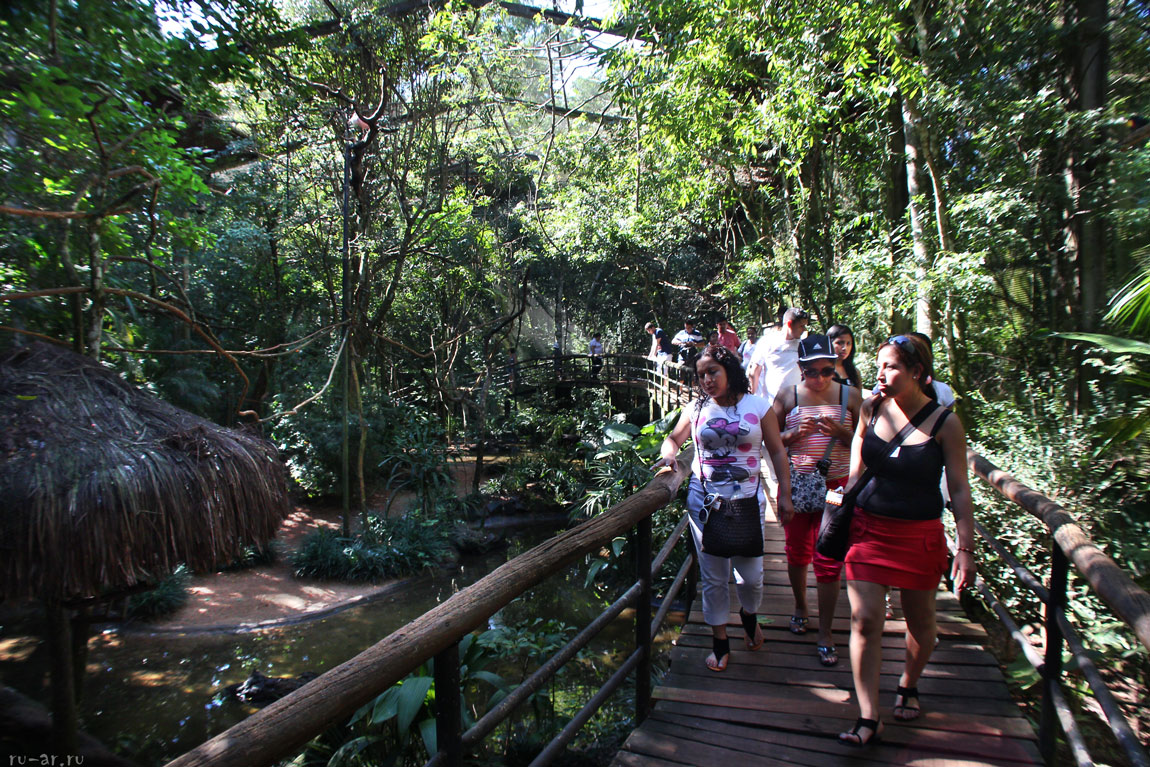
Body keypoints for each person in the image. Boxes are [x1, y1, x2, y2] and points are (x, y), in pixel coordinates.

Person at [835, 334, 976, 747]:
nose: (880, 374)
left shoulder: (945, 422)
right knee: (865, 621)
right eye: (879, 365)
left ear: (917, 373)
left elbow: (961, 490)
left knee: (922, 624)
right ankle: (868, 716)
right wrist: (841, 510)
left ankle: (908, 682)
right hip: (869, 532)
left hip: (919, 536)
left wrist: (965, 549)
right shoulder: (870, 408)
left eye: (891, 367)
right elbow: (856, 476)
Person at [652, 344, 794, 672]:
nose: (706, 380)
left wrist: (785, 495)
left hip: (747, 502)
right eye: (701, 375)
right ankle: (720, 641)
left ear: (730, 371)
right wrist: (670, 454)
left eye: (712, 372)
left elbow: (776, 451)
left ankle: (748, 615)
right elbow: (673, 439)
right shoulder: (697, 408)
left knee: (751, 578)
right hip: (706, 502)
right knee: (714, 578)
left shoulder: (758, 407)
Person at [771, 335, 861, 667]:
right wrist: (793, 435)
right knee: (797, 551)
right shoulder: (788, 395)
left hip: (836, 487)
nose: (820, 378)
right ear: (800, 369)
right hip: (796, 485)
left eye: (827, 370)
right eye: (812, 372)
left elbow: (868, 444)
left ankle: (825, 632)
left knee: (828, 558)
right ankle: (799, 607)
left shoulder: (850, 396)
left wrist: (843, 433)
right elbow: (772, 441)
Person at [747, 308, 809, 406]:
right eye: (801, 326)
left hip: (795, 402)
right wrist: (751, 397)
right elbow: (755, 369)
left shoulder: (803, 345)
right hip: (770, 402)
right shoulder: (768, 341)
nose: (804, 330)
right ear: (789, 324)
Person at [827, 324, 861, 389]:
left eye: (848, 343)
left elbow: (858, 397)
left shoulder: (855, 372)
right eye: (839, 343)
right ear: (829, 343)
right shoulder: (821, 371)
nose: (844, 348)